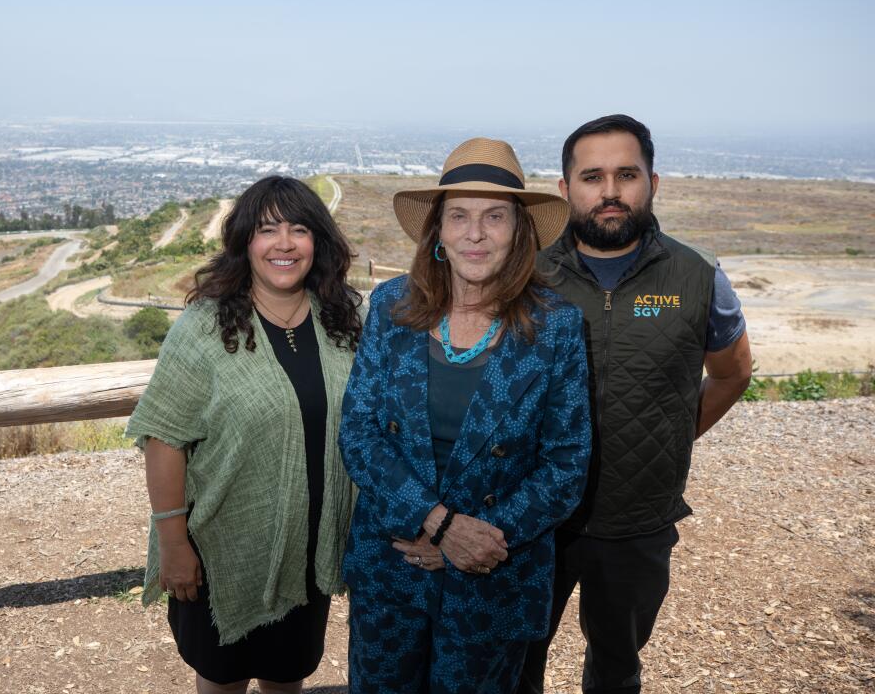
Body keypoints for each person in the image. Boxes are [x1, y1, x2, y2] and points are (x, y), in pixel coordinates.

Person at [339, 138, 593, 694]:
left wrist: (473, 542)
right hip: (393, 569)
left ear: (520, 231)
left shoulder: (557, 326)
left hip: (493, 578)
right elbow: (358, 433)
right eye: (459, 216)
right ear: (437, 231)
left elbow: (566, 464)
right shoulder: (390, 306)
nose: (474, 234)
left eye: (494, 216)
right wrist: (438, 523)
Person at [517, 115, 752, 694]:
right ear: (565, 188)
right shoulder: (526, 277)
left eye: (627, 174)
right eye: (592, 176)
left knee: (617, 668)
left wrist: (668, 437)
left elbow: (732, 372)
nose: (611, 191)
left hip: (637, 522)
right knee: (514, 663)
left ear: (653, 183)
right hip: (533, 519)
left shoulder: (698, 275)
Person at [124, 176, 364, 694]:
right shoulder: (205, 326)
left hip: (310, 546)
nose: (283, 243)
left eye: (299, 229)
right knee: (222, 681)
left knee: (287, 676)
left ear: (317, 242)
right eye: (266, 230)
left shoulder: (343, 320)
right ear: (244, 243)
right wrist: (173, 543)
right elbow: (164, 437)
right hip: (223, 551)